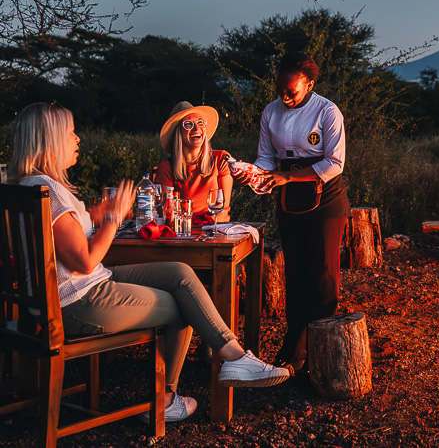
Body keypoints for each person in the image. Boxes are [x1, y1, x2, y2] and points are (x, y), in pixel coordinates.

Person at [8, 102, 290, 423]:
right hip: (77, 302)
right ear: (51, 140)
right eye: (70, 133)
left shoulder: (28, 186)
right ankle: (168, 397)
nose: (77, 139)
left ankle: (232, 355)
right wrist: (114, 217)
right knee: (183, 305)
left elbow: (64, 234)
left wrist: (97, 214)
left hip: (66, 295)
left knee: (179, 274)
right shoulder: (51, 192)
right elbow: (85, 262)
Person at [234, 52, 350, 374]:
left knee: (324, 278)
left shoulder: (327, 111)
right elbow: (267, 159)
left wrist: (288, 176)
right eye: (280, 89)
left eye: (292, 91)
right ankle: (294, 348)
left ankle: (322, 351)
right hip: (289, 200)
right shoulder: (271, 112)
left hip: (325, 200)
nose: (284, 96)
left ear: (309, 84)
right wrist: (252, 173)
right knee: (295, 275)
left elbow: (334, 163)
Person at [154, 101, 232, 223]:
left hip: (213, 232)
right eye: (188, 124)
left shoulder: (221, 159)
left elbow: (224, 211)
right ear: (178, 132)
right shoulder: (166, 168)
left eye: (200, 122)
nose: (196, 128)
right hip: (181, 234)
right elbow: (165, 214)